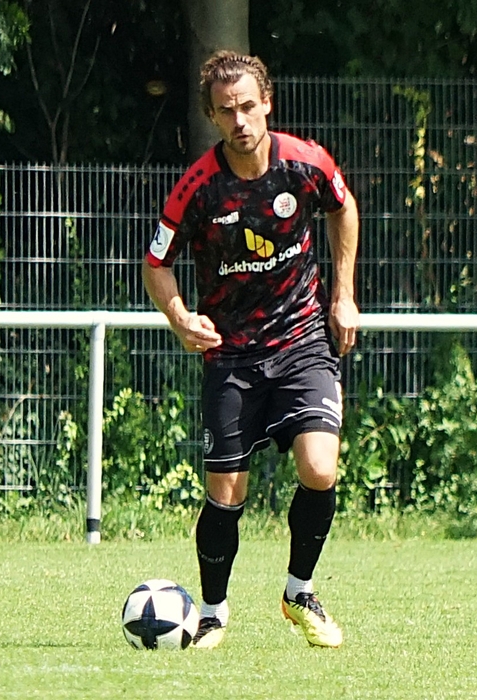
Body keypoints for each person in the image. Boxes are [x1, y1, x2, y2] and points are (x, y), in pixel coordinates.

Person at [141, 50, 359, 649]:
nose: (239, 120)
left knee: (320, 468)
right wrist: (181, 318)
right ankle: (211, 613)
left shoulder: (305, 163)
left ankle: (299, 591)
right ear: (212, 117)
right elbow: (156, 263)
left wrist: (343, 295)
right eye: (225, 111)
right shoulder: (197, 189)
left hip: (302, 340)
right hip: (232, 354)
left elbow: (344, 209)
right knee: (226, 493)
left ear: (267, 103)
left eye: (247, 106)